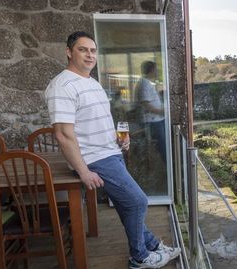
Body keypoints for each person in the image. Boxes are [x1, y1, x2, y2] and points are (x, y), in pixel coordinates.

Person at [45, 31, 180, 269]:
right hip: (95, 159)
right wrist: (83, 171)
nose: (89, 55)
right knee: (137, 201)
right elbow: (63, 135)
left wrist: (120, 141)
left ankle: (152, 245)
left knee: (126, 203)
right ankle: (139, 257)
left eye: (93, 50)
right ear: (69, 52)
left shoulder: (92, 82)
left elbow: (98, 121)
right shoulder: (62, 85)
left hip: (110, 152)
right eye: (82, 49)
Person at [135, 61, 166, 163]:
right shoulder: (144, 84)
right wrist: (161, 111)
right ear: (151, 70)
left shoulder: (147, 83)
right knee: (163, 145)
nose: (157, 72)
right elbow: (145, 104)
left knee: (164, 144)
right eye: (156, 70)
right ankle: (166, 165)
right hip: (153, 121)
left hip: (157, 119)